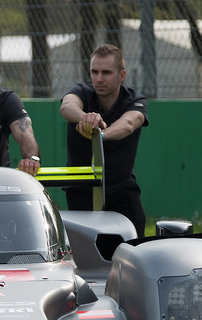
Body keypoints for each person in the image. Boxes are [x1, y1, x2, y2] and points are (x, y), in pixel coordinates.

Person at [59, 44, 148, 237]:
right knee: (82, 253)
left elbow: (129, 123)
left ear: (121, 75)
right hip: (81, 189)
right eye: (94, 72)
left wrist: (99, 134)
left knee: (135, 245)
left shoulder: (134, 100)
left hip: (121, 189)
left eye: (106, 72)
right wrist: (85, 118)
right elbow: (67, 106)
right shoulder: (81, 91)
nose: (99, 79)